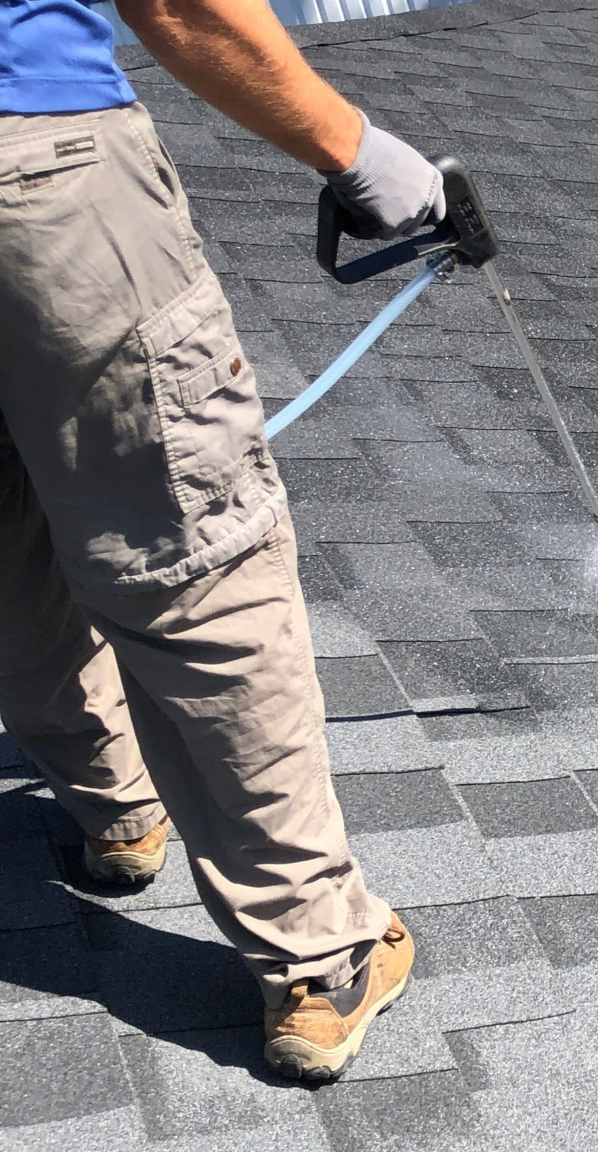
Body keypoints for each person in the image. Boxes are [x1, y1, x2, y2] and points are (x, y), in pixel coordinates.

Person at [0, 0, 445, 1081]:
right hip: (37, 172)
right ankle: (319, 953)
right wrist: (361, 153)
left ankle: (114, 806)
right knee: (193, 564)